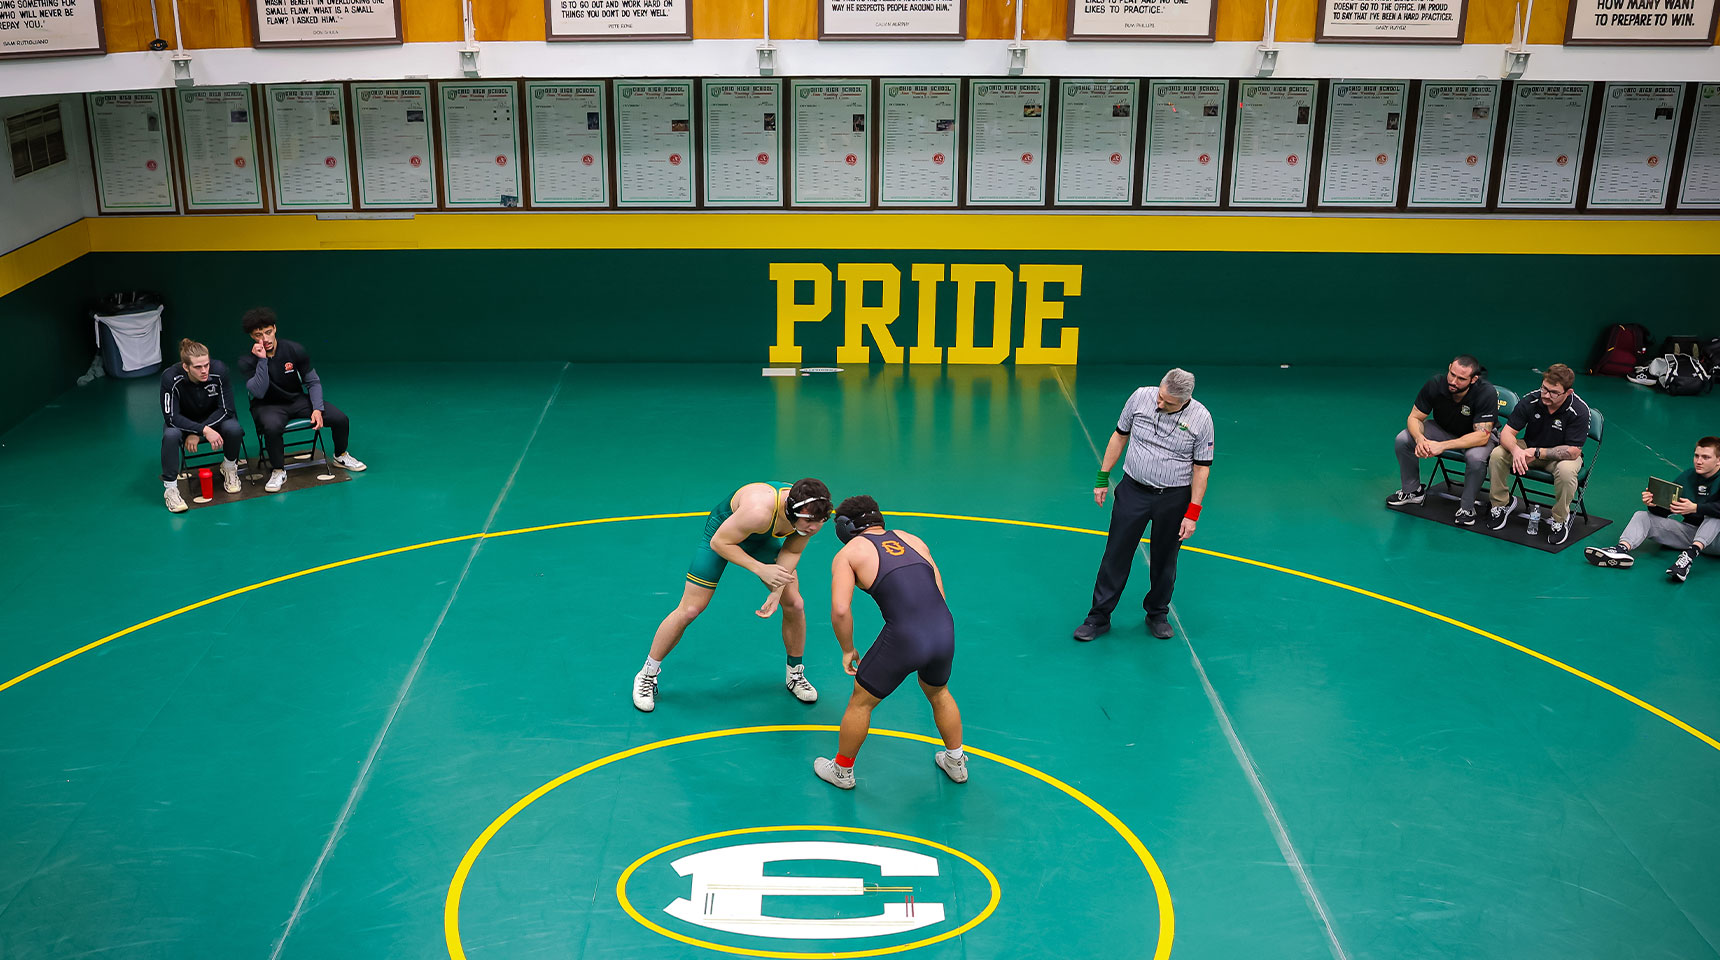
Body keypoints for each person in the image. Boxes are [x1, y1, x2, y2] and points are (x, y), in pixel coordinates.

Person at [632, 478, 832, 713]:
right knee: (690, 609)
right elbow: (720, 542)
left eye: (821, 522)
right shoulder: (758, 511)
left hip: (759, 537)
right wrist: (760, 568)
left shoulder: (810, 514)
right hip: (723, 535)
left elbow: (792, 549)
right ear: (791, 510)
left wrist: (777, 591)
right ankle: (646, 674)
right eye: (810, 522)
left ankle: (795, 674)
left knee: (795, 603)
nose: (815, 528)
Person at [813, 496, 965, 790]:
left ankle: (842, 772)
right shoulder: (912, 539)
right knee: (939, 692)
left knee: (861, 701)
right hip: (943, 628)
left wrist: (847, 649)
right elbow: (938, 591)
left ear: (846, 527)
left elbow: (841, 609)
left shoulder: (849, 553)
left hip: (906, 636)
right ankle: (956, 762)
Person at [1074, 368, 1214, 643]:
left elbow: (1201, 470)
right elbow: (1119, 436)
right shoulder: (1140, 398)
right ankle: (1098, 617)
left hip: (1174, 499)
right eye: (1160, 397)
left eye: (1168, 403)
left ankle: (1157, 614)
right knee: (1116, 553)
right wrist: (1103, 477)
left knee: (1165, 559)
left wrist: (1192, 513)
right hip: (1133, 491)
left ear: (1186, 400)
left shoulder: (1202, 419)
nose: (1160, 404)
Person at [237, 308, 366, 493]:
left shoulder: (293, 349)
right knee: (272, 428)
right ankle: (278, 470)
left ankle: (340, 456)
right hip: (267, 405)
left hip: (296, 400)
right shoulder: (247, 360)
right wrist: (262, 361)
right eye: (258, 335)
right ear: (251, 336)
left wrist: (317, 408)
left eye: (268, 332)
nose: (264, 339)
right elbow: (259, 391)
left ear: (274, 329)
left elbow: (312, 381)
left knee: (340, 418)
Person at [1584, 436, 1720, 583]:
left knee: (1714, 517)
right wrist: (1654, 504)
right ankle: (1621, 549)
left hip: (1716, 541)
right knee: (1643, 516)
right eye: (1697, 456)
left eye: (1706, 457)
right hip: (1690, 534)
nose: (1699, 461)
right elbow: (1666, 511)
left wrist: (1696, 508)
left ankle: (1688, 558)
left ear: (1718, 460)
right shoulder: (1688, 476)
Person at [1387, 355, 1499, 525]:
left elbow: (1482, 436)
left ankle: (1467, 508)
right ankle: (1413, 491)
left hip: (1474, 438)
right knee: (1404, 439)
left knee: (1476, 458)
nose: (1454, 381)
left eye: (1461, 379)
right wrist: (1420, 439)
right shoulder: (1436, 384)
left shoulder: (1486, 392)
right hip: (1443, 429)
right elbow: (1414, 417)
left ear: (1474, 379)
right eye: (1452, 374)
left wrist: (1442, 446)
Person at [1486, 363, 1590, 545]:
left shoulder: (1579, 410)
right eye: (1544, 389)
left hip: (1558, 457)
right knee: (1497, 454)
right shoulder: (1532, 400)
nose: (1546, 395)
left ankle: (1559, 520)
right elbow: (1507, 433)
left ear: (1568, 392)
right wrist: (1517, 450)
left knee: (1567, 472)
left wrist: (1538, 453)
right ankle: (1501, 504)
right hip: (1528, 449)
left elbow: (1573, 451)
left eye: (1553, 392)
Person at [159, 338, 242, 513]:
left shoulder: (219, 371)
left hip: (215, 419)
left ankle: (229, 467)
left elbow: (227, 410)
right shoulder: (170, 377)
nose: (204, 371)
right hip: (183, 422)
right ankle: (171, 489)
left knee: (234, 429)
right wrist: (201, 430)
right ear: (186, 367)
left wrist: (200, 430)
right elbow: (171, 417)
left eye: (206, 364)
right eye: (198, 367)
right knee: (170, 435)